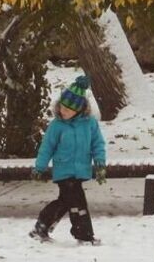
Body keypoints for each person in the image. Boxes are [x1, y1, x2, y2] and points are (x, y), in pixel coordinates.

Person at [29, 75, 106, 245]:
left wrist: (100, 163)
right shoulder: (57, 126)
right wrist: (39, 167)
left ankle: (41, 226)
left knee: (65, 201)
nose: (64, 112)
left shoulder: (90, 124)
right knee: (78, 203)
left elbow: (97, 144)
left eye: (69, 110)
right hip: (63, 170)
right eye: (62, 107)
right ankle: (84, 235)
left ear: (79, 110)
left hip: (81, 170)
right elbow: (47, 147)